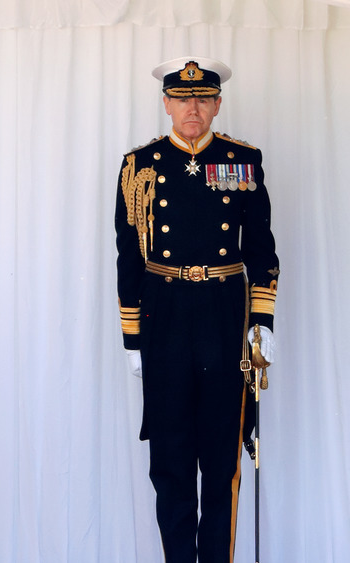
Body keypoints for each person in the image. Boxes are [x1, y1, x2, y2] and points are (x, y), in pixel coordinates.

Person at [114, 57, 279, 563]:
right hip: (164, 317)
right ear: (166, 104)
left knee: (221, 455)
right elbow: (128, 256)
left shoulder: (242, 160)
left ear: (217, 104)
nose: (193, 108)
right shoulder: (139, 166)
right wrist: (133, 338)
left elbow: (262, 251)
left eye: (203, 98)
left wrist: (261, 323)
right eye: (183, 99)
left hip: (223, 315)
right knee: (171, 458)